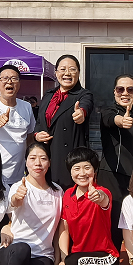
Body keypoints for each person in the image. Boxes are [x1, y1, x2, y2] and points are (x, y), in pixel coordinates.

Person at [51, 147, 119, 265]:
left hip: (105, 258)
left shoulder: (102, 192)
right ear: (70, 172)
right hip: (77, 258)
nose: (82, 173)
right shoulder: (67, 195)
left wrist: (99, 197)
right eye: (76, 168)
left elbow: (104, 200)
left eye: (87, 167)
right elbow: (64, 228)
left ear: (94, 170)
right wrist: (62, 258)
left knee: (76, 262)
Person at [0, 141, 62, 265]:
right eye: (33, 158)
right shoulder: (19, 187)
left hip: (42, 253)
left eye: (43, 158)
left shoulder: (57, 191)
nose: (38, 163)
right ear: (26, 162)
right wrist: (17, 198)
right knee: (22, 249)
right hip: (14, 250)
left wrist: (58, 258)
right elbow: (14, 203)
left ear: (49, 163)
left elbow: (60, 227)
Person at [96, 73, 133, 265]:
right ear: (114, 92)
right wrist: (120, 121)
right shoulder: (108, 111)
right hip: (111, 176)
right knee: (113, 227)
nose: (125, 93)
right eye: (120, 89)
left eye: (130, 89)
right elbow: (110, 120)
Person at [35, 54, 94, 188]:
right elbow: (39, 122)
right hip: (46, 156)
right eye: (63, 69)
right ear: (56, 73)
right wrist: (37, 135)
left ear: (78, 73)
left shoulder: (84, 94)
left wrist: (81, 113)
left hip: (69, 158)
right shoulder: (48, 95)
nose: (67, 73)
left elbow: (86, 106)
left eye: (72, 69)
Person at [0, 64, 36, 189]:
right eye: (4, 78)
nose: (9, 82)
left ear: (19, 84)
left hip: (19, 177)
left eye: (14, 78)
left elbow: (30, 138)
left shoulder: (26, 107)